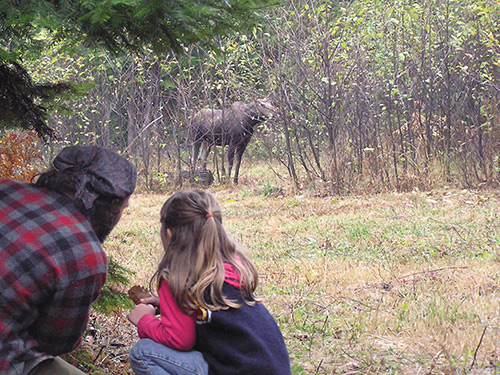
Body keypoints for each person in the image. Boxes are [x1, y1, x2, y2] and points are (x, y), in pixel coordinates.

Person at [0, 145, 137, 375]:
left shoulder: (7, 187)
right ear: (113, 204)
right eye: (124, 207)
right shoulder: (86, 255)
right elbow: (55, 343)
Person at [127, 189, 291, 375]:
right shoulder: (232, 268)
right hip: (272, 368)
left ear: (169, 233)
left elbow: (178, 339)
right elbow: (211, 315)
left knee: (143, 353)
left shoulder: (176, 278)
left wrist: (144, 320)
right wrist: (166, 305)